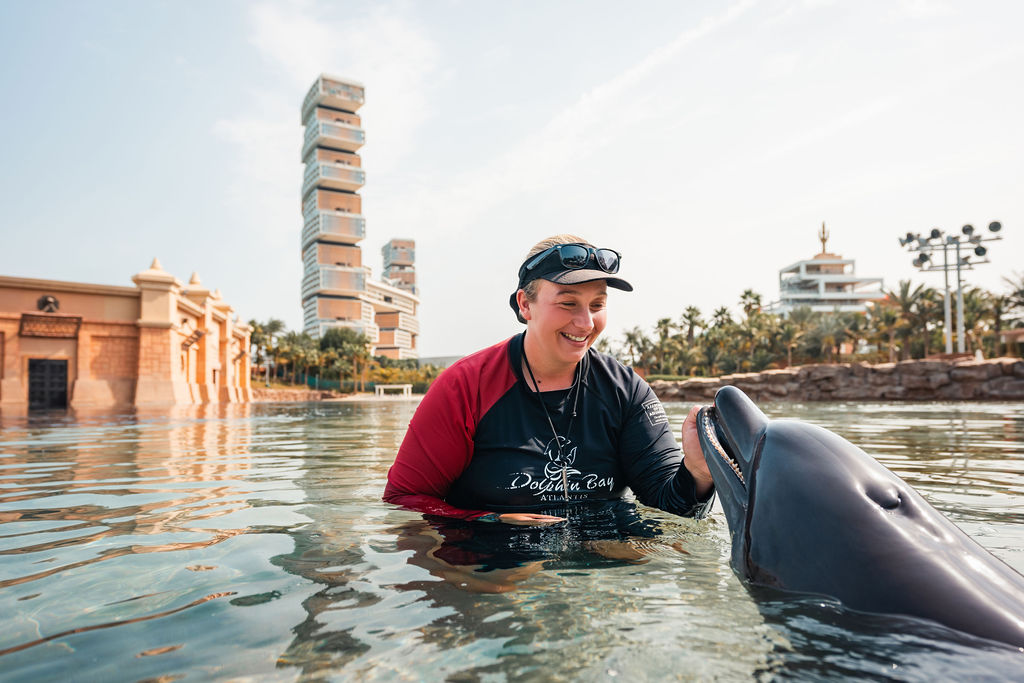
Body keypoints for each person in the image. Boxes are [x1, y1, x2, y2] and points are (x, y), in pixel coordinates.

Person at [383, 234, 714, 526]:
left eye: (597, 304)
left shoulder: (626, 392)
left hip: (599, 569)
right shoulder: (465, 387)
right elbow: (404, 501)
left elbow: (672, 508)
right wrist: (488, 521)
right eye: (568, 303)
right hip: (494, 567)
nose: (585, 323)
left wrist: (698, 473)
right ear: (525, 304)